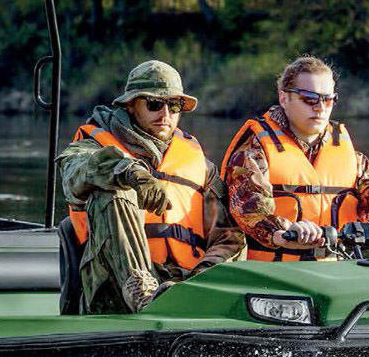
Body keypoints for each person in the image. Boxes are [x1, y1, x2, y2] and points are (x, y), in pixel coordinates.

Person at [221, 56, 369, 260]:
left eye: (328, 99)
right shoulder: (253, 152)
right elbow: (250, 211)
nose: (320, 107)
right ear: (285, 98)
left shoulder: (349, 156)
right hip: (272, 275)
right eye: (309, 98)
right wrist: (286, 229)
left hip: (338, 270)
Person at [58, 60, 244, 313]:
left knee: (236, 231)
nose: (165, 114)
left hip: (183, 287)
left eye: (175, 105)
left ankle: (183, 296)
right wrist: (128, 171)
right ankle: (142, 292)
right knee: (116, 191)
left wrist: (201, 280)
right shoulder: (93, 145)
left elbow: (227, 236)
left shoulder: (200, 165)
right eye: (155, 104)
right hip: (109, 287)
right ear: (132, 105)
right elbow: (74, 173)